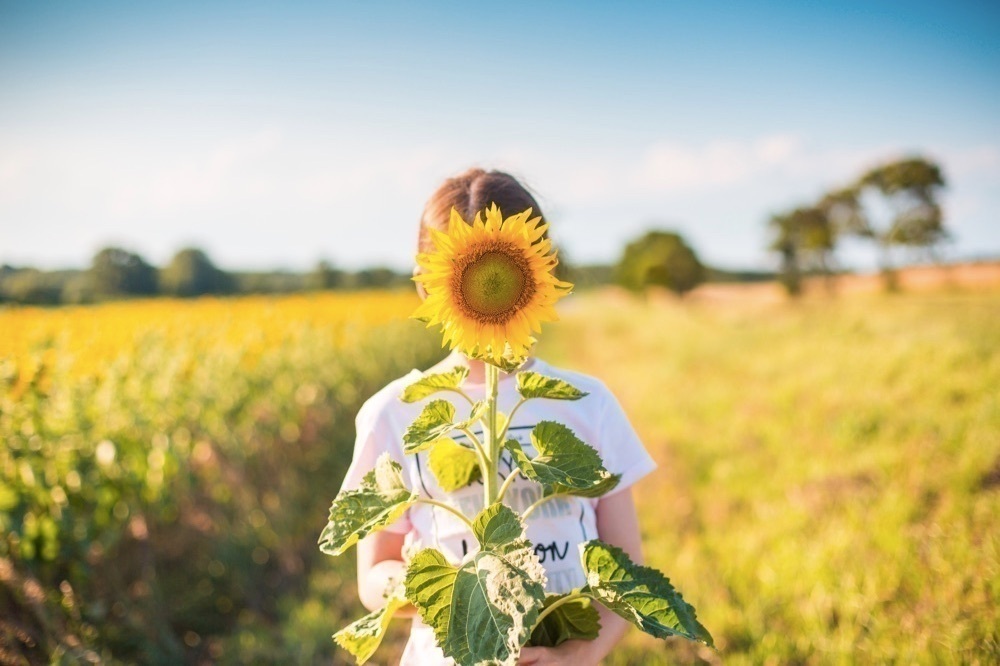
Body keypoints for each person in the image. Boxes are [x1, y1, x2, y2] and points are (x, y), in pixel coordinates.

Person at [340, 168, 658, 665]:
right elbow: (372, 577)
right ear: (429, 284)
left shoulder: (588, 403)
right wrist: (440, 583)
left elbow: (628, 573)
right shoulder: (395, 412)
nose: (491, 285)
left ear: (541, 271)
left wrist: (576, 657)